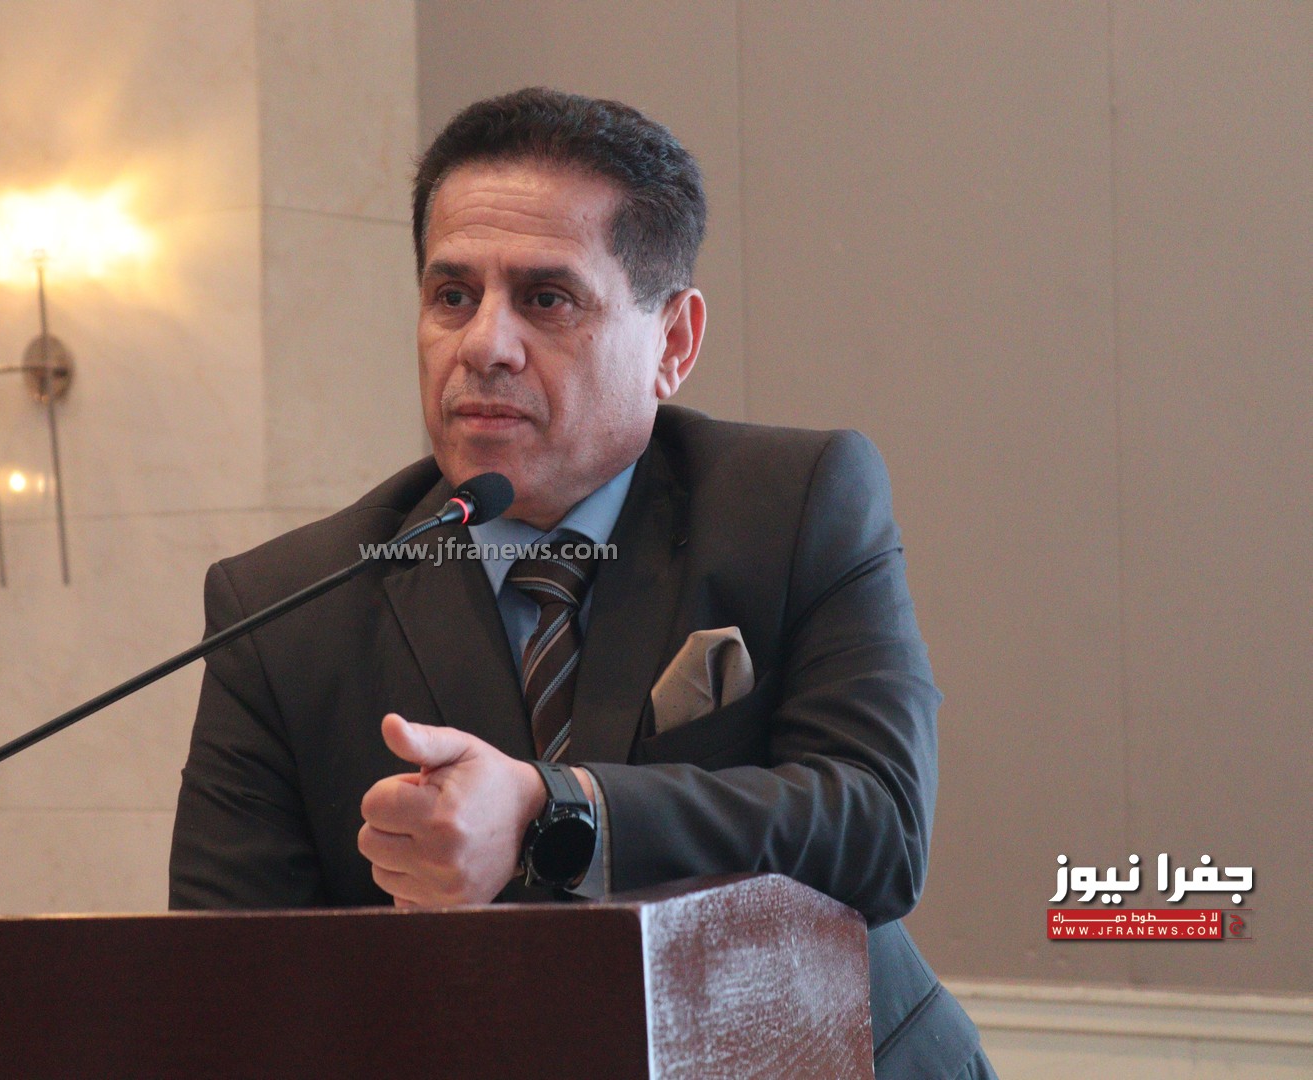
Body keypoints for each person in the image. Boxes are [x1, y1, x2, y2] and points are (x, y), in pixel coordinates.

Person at [170, 87, 994, 1078]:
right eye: (452, 296)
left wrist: (554, 810)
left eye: (546, 299)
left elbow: (878, 827)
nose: (484, 345)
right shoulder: (284, 610)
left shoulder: (793, 505)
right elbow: (227, 989)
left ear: (673, 343)